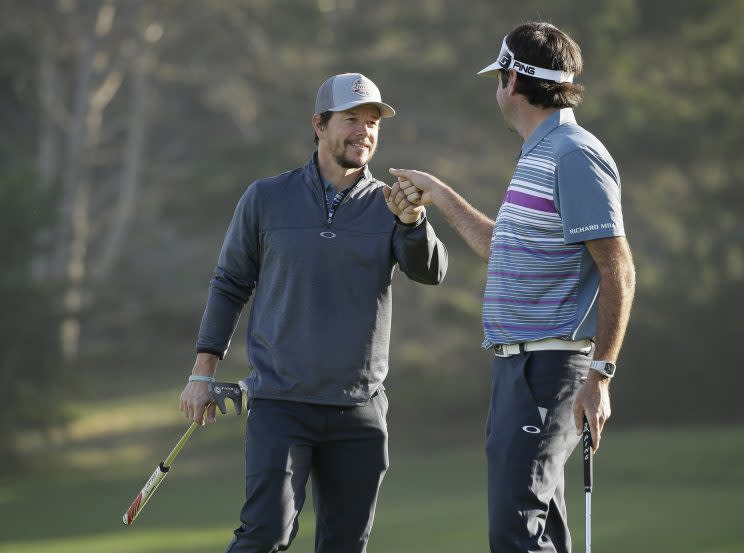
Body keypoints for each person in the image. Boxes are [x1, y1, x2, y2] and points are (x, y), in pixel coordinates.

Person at [389, 22, 636, 553]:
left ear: (512, 81)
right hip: (520, 366)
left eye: (499, 76)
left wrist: (602, 374)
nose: (496, 87)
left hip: (550, 368)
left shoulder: (573, 153)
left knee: (515, 526)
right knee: (539, 524)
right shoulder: (541, 151)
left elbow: (618, 268)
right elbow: (501, 246)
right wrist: (439, 194)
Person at [180, 72, 448, 553]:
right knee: (265, 534)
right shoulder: (266, 198)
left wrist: (413, 221)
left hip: (360, 408)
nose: (364, 131)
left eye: (372, 122)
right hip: (281, 403)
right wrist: (203, 373)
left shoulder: (393, 204)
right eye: (351, 120)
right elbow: (229, 285)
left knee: (345, 544)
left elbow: (430, 271)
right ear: (319, 125)